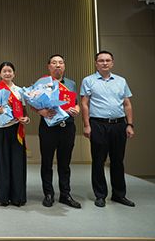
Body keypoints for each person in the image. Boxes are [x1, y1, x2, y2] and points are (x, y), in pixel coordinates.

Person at [81, 51, 135, 208]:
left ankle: (119, 194)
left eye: (107, 60)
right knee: (98, 161)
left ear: (112, 63)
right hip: (98, 124)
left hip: (119, 125)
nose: (104, 63)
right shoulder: (88, 81)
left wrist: (130, 124)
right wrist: (87, 125)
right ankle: (100, 195)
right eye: (101, 60)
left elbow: (127, 104)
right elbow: (84, 104)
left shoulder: (121, 81)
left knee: (118, 160)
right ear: (96, 63)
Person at [35, 54, 82, 209]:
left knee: (65, 163)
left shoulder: (71, 83)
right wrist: (40, 111)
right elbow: (32, 102)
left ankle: (65, 194)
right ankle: (48, 194)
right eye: (54, 63)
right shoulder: (42, 83)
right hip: (48, 127)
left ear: (64, 66)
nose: (58, 65)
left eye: (61, 62)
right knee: (47, 162)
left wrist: (77, 109)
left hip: (67, 127)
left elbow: (75, 103)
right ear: (49, 66)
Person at [0, 62, 29, 207]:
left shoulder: (19, 91)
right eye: (4, 71)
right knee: (2, 163)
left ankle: (18, 197)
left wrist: (26, 119)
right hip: (0, 129)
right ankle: (3, 197)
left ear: (14, 73)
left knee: (18, 163)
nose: (7, 73)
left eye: (10, 71)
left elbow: (24, 112)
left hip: (16, 129)